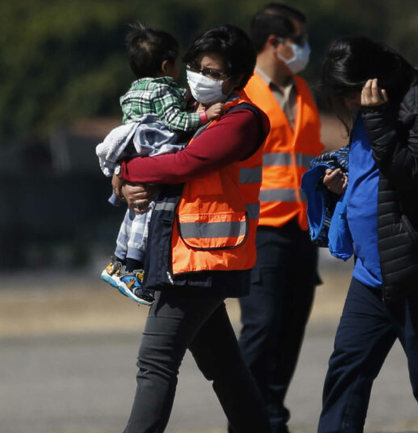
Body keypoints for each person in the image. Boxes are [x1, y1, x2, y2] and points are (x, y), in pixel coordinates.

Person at [312, 35, 418, 432]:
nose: (348, 101)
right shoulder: (369, 110)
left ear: (372, 77)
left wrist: (377, 118)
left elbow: (411, 173)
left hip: (415, 266)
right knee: (347, 371)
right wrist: (343, 185)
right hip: (370, 271)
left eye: (350, 91)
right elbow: (374, 172)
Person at [111, 24, 272, 433]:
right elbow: (150, 153)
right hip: (185, 255)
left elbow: (185, 164)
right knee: (225, 369)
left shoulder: (241, 119)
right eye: (196, 67)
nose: (200, 77)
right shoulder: (187, 110)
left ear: (238, 78)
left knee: (155, 362)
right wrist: (125, 182)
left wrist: (128, 168)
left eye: (213, 72)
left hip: (204, 259)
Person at [234, 4, 324, 432]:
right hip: (260, 228)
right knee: (262, 326)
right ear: (274, 42)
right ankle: (245, 419)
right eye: (298, 39)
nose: (304, 47)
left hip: (302, 228)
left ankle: (272, 416)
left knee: (290, 328)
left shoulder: (303, 89)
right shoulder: (243, 91)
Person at [96, 23, 223, 306]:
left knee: (134, 211)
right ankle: (133, 270)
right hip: (157, 154)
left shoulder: (131, 92)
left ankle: (119, 262)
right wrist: (206, 116)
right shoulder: (163, 90)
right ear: (167, 66)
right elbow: (175, 121)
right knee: (145, 212)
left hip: (137, 154)